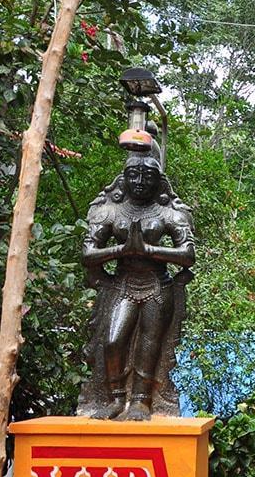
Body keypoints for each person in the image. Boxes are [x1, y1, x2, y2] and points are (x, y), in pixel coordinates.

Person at [79, 149, 195, 420]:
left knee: (149, 344)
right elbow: (88, 254)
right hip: (123, 284)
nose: (140, 182)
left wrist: (149, 250)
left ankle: (141, 401)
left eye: (148, 176)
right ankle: (116, 398)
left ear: (158, 181)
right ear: (124, 179)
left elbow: (188, 255)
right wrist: (122, 250)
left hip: (157, 286)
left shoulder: (168, 213)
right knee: (113, 340)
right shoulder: (110, 212)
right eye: (134, 175)